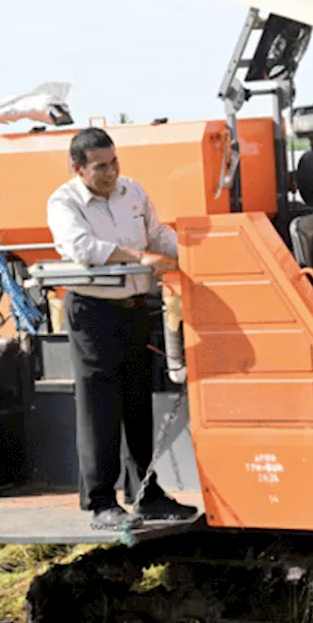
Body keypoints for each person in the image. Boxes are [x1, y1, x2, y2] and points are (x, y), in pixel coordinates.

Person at [46, 128, 198, 529]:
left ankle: (147, 494)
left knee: (137, 404)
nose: (110, 172)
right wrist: (137, 258)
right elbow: (82, 247)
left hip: (135, 309)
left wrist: (197, 253)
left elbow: (157, 233)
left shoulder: (132, 192)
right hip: (94, 314)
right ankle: (101, 502)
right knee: (101, 408)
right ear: (77, 168)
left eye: (114, 163)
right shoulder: (64, 202)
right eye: (100, 167)